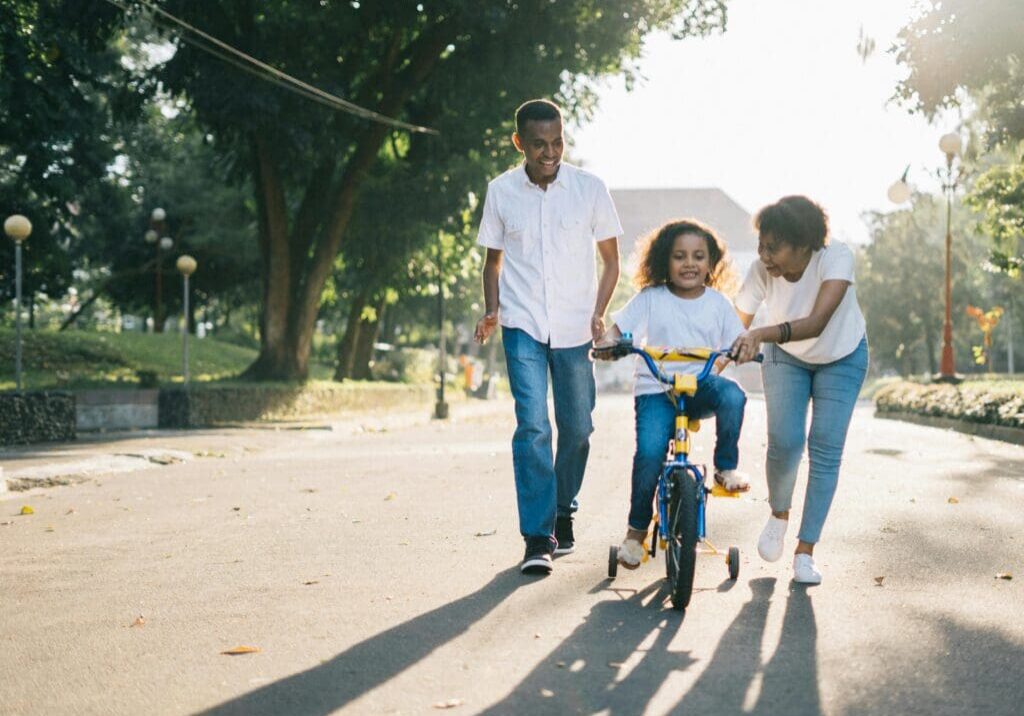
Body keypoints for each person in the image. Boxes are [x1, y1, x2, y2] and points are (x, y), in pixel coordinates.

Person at [474, 99, 622, 575]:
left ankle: (563, 509)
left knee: (578, 428)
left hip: (576, 327)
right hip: (522, 326)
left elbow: (611, 261)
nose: (550, 152)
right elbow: (493, 262)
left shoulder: (589, 188)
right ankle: (537, 536)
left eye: (557, 142)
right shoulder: (500, 191)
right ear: (520, 143)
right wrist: (492, 310)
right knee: (534, 426)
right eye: (539, 144)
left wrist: (599, 313)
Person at [595, 219, 749, 569]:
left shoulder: (719, 304)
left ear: (711, 264)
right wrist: (608, 344)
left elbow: (736, 342)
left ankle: (726, 467)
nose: (689, 263)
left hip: (699, 386)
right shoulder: (651, 298)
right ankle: (635, 533)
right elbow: (618, 331)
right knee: (650, 453)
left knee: (734, 396)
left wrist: (740, 351)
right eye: (679, 256)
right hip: (656, 388)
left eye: (698, 256)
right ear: (665, 260)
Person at [731, 195, 869, 585]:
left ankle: (805, 552)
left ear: (804, 244)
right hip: (786, 358)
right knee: (785, 442)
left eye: (773, 247)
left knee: (825, 448)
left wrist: (759, 333)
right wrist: (716, 358)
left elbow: (818, 322)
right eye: (761, 245)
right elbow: (733, 325)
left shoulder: (835, 258)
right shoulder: (761, 271)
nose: (764, 255)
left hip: (842, 355)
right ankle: (779, 513)